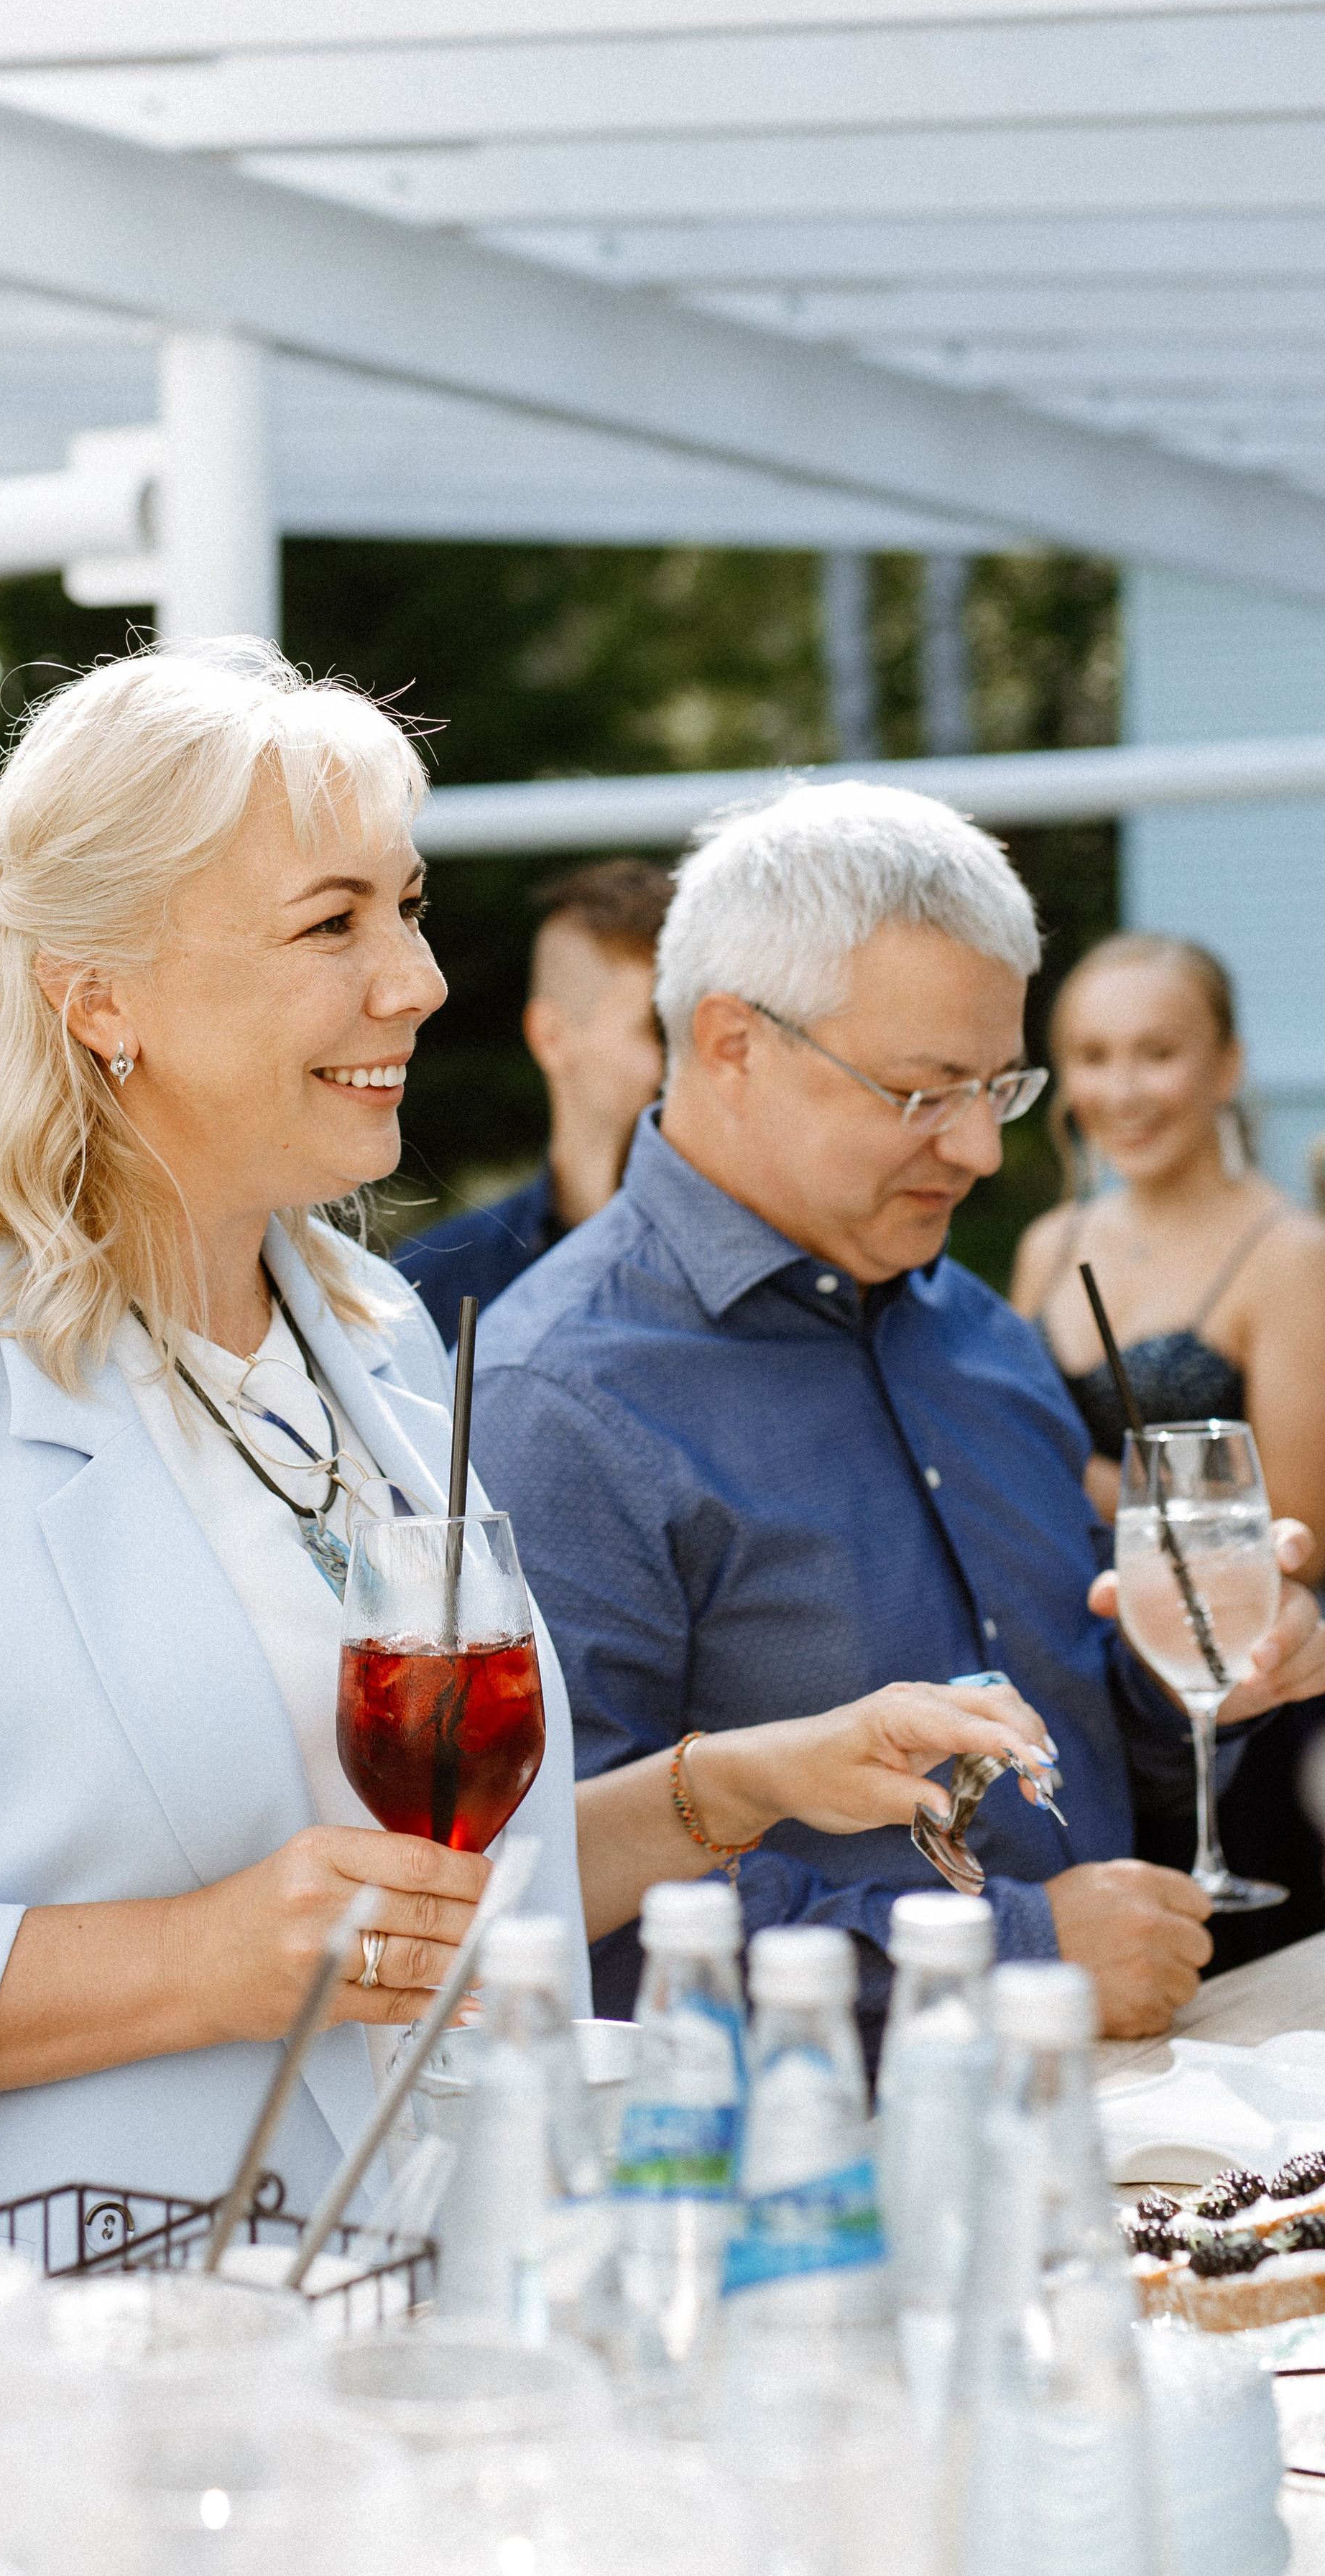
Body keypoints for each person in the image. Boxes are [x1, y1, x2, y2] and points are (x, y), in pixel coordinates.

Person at [0, 651, 1051, 2296]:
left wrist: (733, 1783)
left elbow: (410, 1896)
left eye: (402, 909)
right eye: (331, 923)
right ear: (97, 989)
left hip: (370, 2360)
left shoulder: (368, 1337)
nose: (412, 979)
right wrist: (190, 1963)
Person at [469, 782, 1325, 2042]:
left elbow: (1074, 1746)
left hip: (1129, 2125)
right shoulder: (553, 1398)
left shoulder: (976, 1328)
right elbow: (548, 1896)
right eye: (926, 1092)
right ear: (731, 1043)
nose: (981, 1148)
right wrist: (1018, 1954)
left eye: (1002, 1086)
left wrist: (1188, 1685)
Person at [1012, 932, 1325, 1966]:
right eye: (1095, 1056)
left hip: (1235, 1704)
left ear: (1227, 1066)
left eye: (1158, 1052)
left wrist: (1102, 1485)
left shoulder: (1288, 1253)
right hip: (1079, 1684)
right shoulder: (1048, 1245)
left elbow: (1301, 1532)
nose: (1124, 1088)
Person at [394, 858, 670, 1343]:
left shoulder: (778, 1263)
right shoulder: (431, 1288)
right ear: (552, 1037)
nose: (696, 1058)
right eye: (660, 1029)